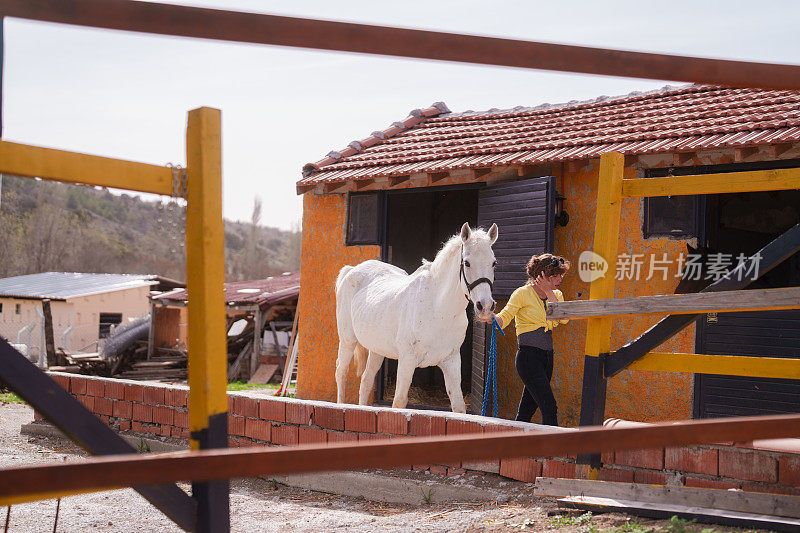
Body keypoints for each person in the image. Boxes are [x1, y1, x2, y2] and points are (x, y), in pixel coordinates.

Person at [488, 253, 570, 426]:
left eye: (560, 274)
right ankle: (552, 450)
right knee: (549, 407)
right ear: (542, 275)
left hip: (547, 358)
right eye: (555, 275)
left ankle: (514, 447)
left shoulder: (557, 295)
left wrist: (548, 291)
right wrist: (492, 318)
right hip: (528, 358)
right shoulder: (522, 293)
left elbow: (563, 318)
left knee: (527, 410)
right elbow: (505, 316)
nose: (560, 278)